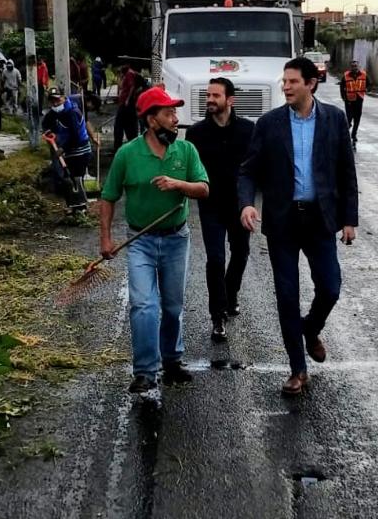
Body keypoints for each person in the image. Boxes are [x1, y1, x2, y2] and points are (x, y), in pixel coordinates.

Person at [238, 56, 358, 396]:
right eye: (284, 81)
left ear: (311, 83)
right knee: (287, 295)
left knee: (331, 287)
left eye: (292, 81)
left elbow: (346, 173)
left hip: (320, 220)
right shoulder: (269, 123)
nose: (285, 86)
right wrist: (247, 203)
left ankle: (311, 328)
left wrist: (349, 219)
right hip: (283, 220)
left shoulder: (334, 119)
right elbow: (248, 170)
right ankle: (297, 369)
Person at [100, 86, 210, 395]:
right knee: (144, 306)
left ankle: (172, 361)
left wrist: (178, 184)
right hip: (140, 241)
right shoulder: (128, 154)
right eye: (169, 113)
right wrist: (106, 239)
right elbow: (108, 198)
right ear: (151, 120)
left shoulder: (186, 151)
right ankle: (145, 371)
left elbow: (204, 189)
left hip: (176, 239)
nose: (176, 119)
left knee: (173, 306)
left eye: (175, 113)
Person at [186, 77, 255, 342]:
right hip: (211, 206)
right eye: (208, 95)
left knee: (241, 253)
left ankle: (231, 293)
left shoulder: (249, 131)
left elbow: (256, 166)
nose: (210, 100)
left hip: (239, 206)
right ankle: (217, 316)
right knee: (215, 259)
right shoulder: (196, 133)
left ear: (230, 100)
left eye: (216, 95)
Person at [42, 87, 94, 213]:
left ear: (63, 98)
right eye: (52, 101)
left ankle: (81, 206)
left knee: (76, 177)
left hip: (81, 149)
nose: (55, 104)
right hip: (68, 150)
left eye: (57, 100)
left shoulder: (72, 112)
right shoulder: (55, 113)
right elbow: (45, 123)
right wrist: (48, 131)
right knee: (67, 177)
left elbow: (75, 136)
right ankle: (72, 205)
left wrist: (62, 148)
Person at [339, 60, 369, 147]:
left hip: (359, 100)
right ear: (350, 67)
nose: (354, 68)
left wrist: (367, 89)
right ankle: (344, 134)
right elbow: (342, 87)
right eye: (352, 66)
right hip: (349, 101)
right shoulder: (346, 76)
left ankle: (354, 135)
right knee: (348, 119)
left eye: (355, 66)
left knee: (357, 119)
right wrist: (344, 97)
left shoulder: (363, 75)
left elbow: (369, 84)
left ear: (358, 66)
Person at [113, 65, 139, 150]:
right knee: (125, 125)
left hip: (127, 104)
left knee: (121, 125)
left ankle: (119, 146)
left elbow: (132, 87)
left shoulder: (129, 74)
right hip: (125, 103)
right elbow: (121, 87)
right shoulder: (127, 74)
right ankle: (120, 145)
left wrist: (127, 99)